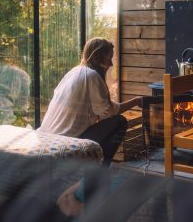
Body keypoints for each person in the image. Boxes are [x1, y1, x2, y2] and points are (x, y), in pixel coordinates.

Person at [38, 37, 142, 166]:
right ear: (98, 58)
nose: (111, 64)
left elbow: (100, 111)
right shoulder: (91, 75)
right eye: (109, 58)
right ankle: (99, 170)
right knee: (119, 121)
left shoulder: (73, 72)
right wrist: (136, 101)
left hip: (48, 136)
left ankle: (95, 166)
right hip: (66, 140)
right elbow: (108, 112)